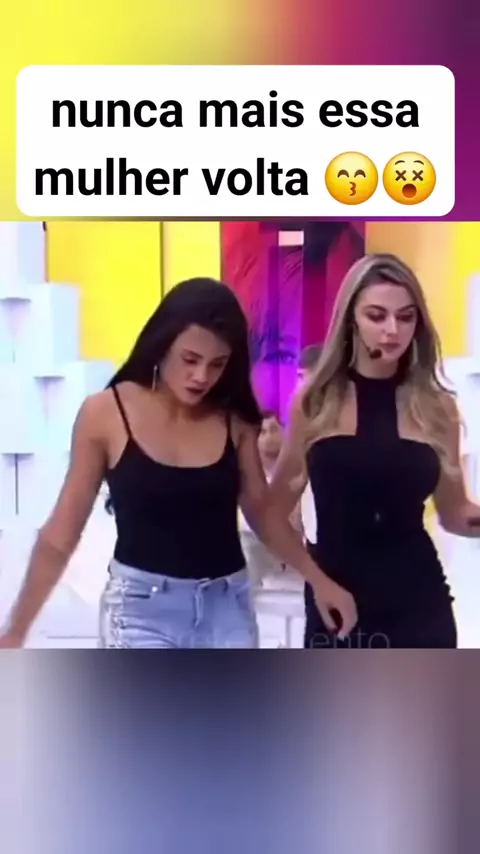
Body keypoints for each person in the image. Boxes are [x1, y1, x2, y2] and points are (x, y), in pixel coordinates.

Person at [0, 277, 356, 649]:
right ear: (162, 344)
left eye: (217, 364)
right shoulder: (105, 414)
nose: (202, 376)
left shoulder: (234, 421)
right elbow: (61, 534)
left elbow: (262, 512)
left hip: (227, 608)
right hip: (141, 612)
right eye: (190, 359)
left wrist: (318, 579)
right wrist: (16, 630)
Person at [271, 253, 480, 649]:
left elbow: (455, 513)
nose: (392, 330)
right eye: (377, 316)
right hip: (336, 605)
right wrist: (316, 580)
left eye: (406, 317)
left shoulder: (436, 408)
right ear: (350, 319)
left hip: (419, 605)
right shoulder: (316, 402)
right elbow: (272, 512)